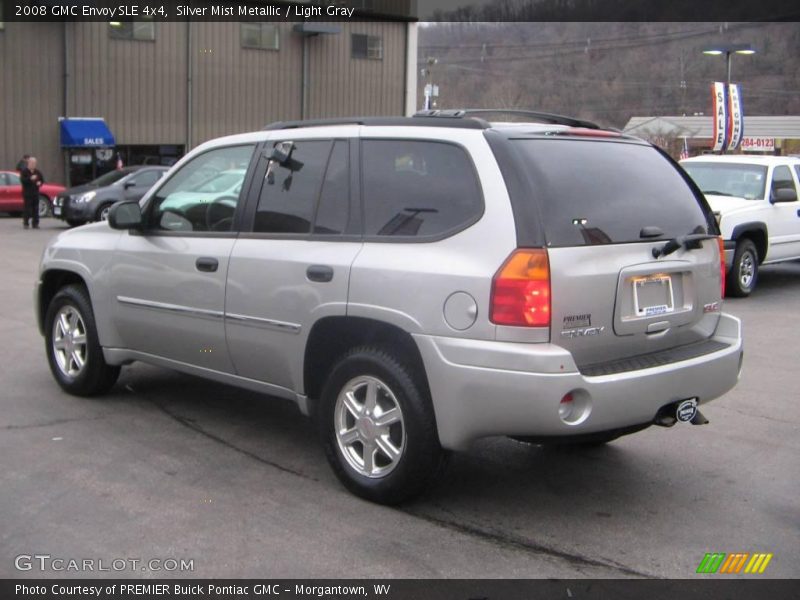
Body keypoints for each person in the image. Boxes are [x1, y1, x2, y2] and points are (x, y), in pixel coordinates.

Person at [20, 157, 44, 229]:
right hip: (27, 193)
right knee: (27, 208)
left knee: (36, 208)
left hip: (35, 192)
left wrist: (40, 183)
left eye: (34, 163)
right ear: (29, 163)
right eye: (32, 163)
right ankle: (26, 223)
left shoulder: (37, 172)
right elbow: (23, 181)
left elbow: (42, 180)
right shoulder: (24, 171)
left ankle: (35, 223)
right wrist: (30, 178)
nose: (33, 165)